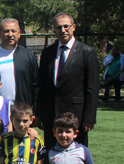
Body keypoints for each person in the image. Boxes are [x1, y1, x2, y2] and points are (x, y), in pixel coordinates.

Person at [35, 12, 99, 147]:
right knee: (51, 153)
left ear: (73, 27)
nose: (63, 30)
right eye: (59, 27)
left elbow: (92, 88)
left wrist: (89, 117)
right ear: (55, 29)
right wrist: (39, 114)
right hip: (51, 115)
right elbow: (42, 86)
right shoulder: (47, 53)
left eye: (66, 26)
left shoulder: (87, 52)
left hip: (76, 116)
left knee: (76, 154)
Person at [0, 18, 39, 108]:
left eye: (13, 31)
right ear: (0, 33)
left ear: (19, 33)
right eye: (6, 31)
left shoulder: (28, 56)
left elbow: (36, 85)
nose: (10, 34)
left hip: (21, 109)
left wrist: (35, 111)